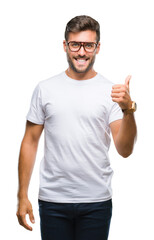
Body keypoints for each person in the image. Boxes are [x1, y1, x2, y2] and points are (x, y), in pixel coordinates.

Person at [16, 15, 137, 240]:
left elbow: (125, 150)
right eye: (75, 44)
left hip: (96, 202)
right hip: (53, 202)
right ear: (65, 45)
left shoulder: (111, 91)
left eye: (88, 45)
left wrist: (128, 110)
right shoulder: (45, 88)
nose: (81, 52)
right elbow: (30, 141)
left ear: (97, 47)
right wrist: (22, 194)